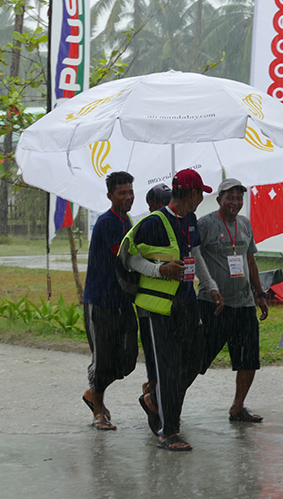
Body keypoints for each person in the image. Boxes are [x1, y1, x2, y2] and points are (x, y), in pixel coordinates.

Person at [122, 168, 223, 452]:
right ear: (192, 194)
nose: (202, 198)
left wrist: (211, 285)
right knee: (167, 369)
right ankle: (168, 431)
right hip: (158, 309)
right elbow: (129, 257)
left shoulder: (190, 220)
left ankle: (154, 399)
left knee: (193, 361)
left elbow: (195, 255)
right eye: (201, 193)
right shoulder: (153, 222)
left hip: (186, 304)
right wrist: (160, 269)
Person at [197, 178, 269, 423]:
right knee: (197, 359)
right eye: (230, 198)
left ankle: (238, 407)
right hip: (213, 305)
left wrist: (259, 294)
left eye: (239, 198)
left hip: (244, 304)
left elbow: (250, 261)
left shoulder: (245, 224)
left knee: (249, 359)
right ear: (219, 200)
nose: (235, 202)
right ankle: (166, 403)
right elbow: (193, 258)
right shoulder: (205, 224)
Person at [81, 171, 137, 431]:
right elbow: (126, 260)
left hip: (123, 301)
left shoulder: (128, 222)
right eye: (122, 193)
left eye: (130, 191)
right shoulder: (108, 223)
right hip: (101, 301)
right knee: (103, 358)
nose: (128, 197)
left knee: (128, 359)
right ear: (110, 196)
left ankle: (92, 393)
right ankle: (99, 411)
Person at [139, 183, 172, 397]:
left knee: (167, 354)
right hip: (149, 303)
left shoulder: (174, 224)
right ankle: (152, 393)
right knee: (153, 353)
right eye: (163, 202)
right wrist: (160, 270)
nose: (168, 206)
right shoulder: (146, 226)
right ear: (151, 204)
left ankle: (162, 397)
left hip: (170, 303)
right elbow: (134, 262)